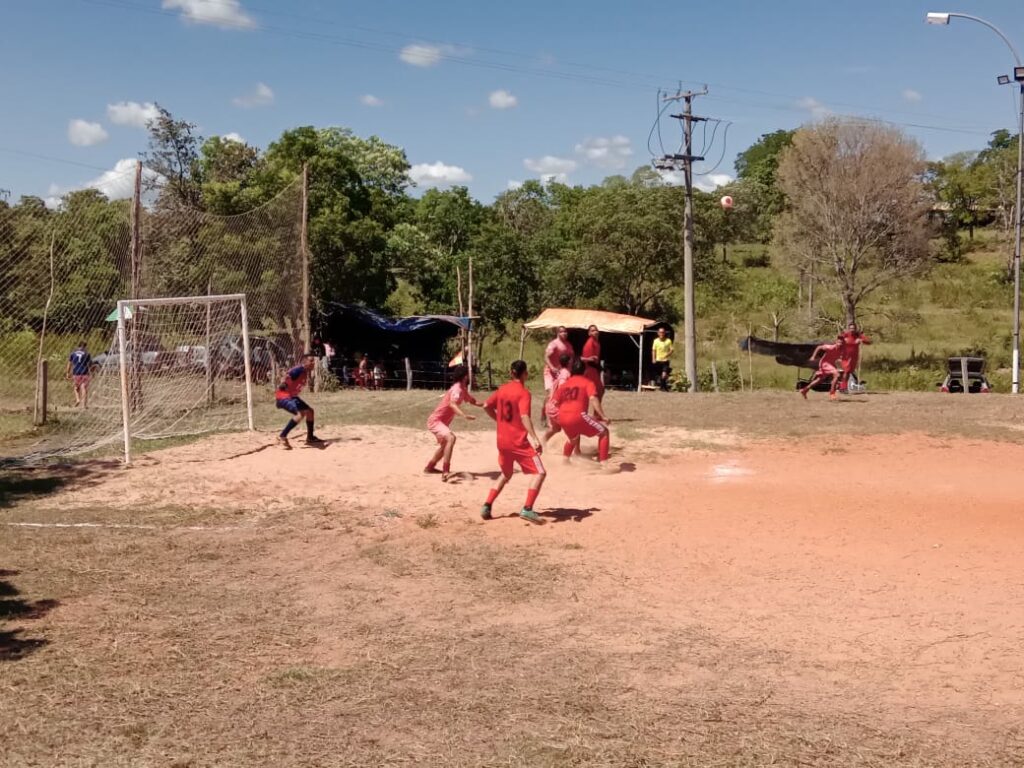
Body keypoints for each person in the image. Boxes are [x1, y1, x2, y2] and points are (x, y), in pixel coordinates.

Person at [480, 360, 546, 524]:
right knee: (540, 472)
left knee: (506, 474)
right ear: (525, 374)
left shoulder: (502, 389)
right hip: (518, 442)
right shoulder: (524, 393)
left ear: (511, 373)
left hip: (502, 442)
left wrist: (498, 420)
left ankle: (487, 505)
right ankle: (527, 509)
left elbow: (486, 405)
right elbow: (524, 417)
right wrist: (535, 438)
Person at [424, 365, 481, 481]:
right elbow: (452, 404)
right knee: (451, 438)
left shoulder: (462, 389)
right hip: (435, 421)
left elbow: (472, 401)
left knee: (445, 445)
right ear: (465, 376)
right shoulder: (457, 389)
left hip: (441, 422)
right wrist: (464, 415)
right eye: (469, 374)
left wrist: (488, 404)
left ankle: (429, 467)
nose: (471, 376)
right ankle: (445, 472)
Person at [553, 359, 612, 467]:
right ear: (584, 372)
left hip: (562, 417)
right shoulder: (588, 383)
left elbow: (555, 403)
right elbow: (594, 399)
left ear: (572, 371)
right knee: (604, 432)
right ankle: (604, 463)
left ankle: (565, 461)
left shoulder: (564, 385)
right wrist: (603, 416)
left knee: (573, 439)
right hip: (577, 416)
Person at [276, 354, 323, 449]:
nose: (313, 363)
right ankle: (282, 436)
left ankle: (310, 437)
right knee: (300, 414)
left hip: (292, 397)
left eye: (313, 361)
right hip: (284, 397)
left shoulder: (304, 371)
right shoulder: (299, 369)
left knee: (310, 411)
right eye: (311, 361)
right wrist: (284, 383)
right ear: (305, 362)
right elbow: (288, 375)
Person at [541, 353, 572, 447]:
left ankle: (543, 442)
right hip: (556, 406)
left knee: (556, 429)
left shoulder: (561, 372)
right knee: (571, 426)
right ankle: (575, 452)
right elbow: (562, 387)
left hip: (551, 405)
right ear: (569, 362)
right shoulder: (566, 373)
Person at [801, 335, 845, 401]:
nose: (840, 344)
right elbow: (819, 347)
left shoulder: (842, 350)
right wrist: (813, 356)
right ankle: (832, 393)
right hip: (824, 364)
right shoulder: (830, 347)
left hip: (831, 364)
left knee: (819, 379)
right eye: (838, 342)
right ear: (836, 342)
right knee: (836, 374)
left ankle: (804, 390)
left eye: (841, 343)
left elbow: (840, 357)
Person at [839, 322, 872, 392]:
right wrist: (842, 341)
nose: (852, 330)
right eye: (850, 328)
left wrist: (861, 340)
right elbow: (838, 341)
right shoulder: (845, 334)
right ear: (848, 328)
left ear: (855, 328)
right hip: (845, 356)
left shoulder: (858, 335)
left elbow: (869, 342)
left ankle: (843, 387)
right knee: (846, 371)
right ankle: (843, 388)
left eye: (853, 328)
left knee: (849, 372)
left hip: (854, 357)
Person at [543, 326, 574, 393]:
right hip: (551, 372)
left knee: (560, 393)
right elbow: (546, 356)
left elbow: (571, 357)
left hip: (561, 372)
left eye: (565, 331)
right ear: (557, 333)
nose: (564, 333)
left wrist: (569, 368)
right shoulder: (553, 344)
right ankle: (548, 403)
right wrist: (552, 367)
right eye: (562, 332)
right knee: (551, 393)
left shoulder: (568, 345)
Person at [580, 324, 604, 401]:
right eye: (593, 331)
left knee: (598, 391)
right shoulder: (590, 343)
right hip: (590, 369)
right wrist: (590, 359)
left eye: (596, 330)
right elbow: (583, 359)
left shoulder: (596, 343)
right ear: (589, 333)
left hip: (594, 369)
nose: (595, 332)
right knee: (597, 391)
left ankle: (594, 412)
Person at [66, 341, 92, 408]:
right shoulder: (87, 354)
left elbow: (69, 364)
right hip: (84, 372)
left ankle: (78, 399)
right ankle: (84, 404)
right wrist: (90, 373)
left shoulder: (73, 354)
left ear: (78, 346)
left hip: (76, 372)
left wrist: (67, 372)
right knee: (84, 388)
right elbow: (89, 365)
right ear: (85, 346)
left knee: (76, 387)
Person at [651, 327, 673, 391]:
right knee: (660, 376)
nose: (661, 333)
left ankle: (662, 388)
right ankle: (664, 387)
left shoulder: (668, 341)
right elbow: (653, 350)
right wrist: (653, 358)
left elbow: (671, 350)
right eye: (660, 332)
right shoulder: (655, 341)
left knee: (663, 375)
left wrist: (667, 354)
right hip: (658, 361)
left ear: (664, 333)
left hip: (665, 361)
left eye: (663, 332)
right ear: (658, 333)